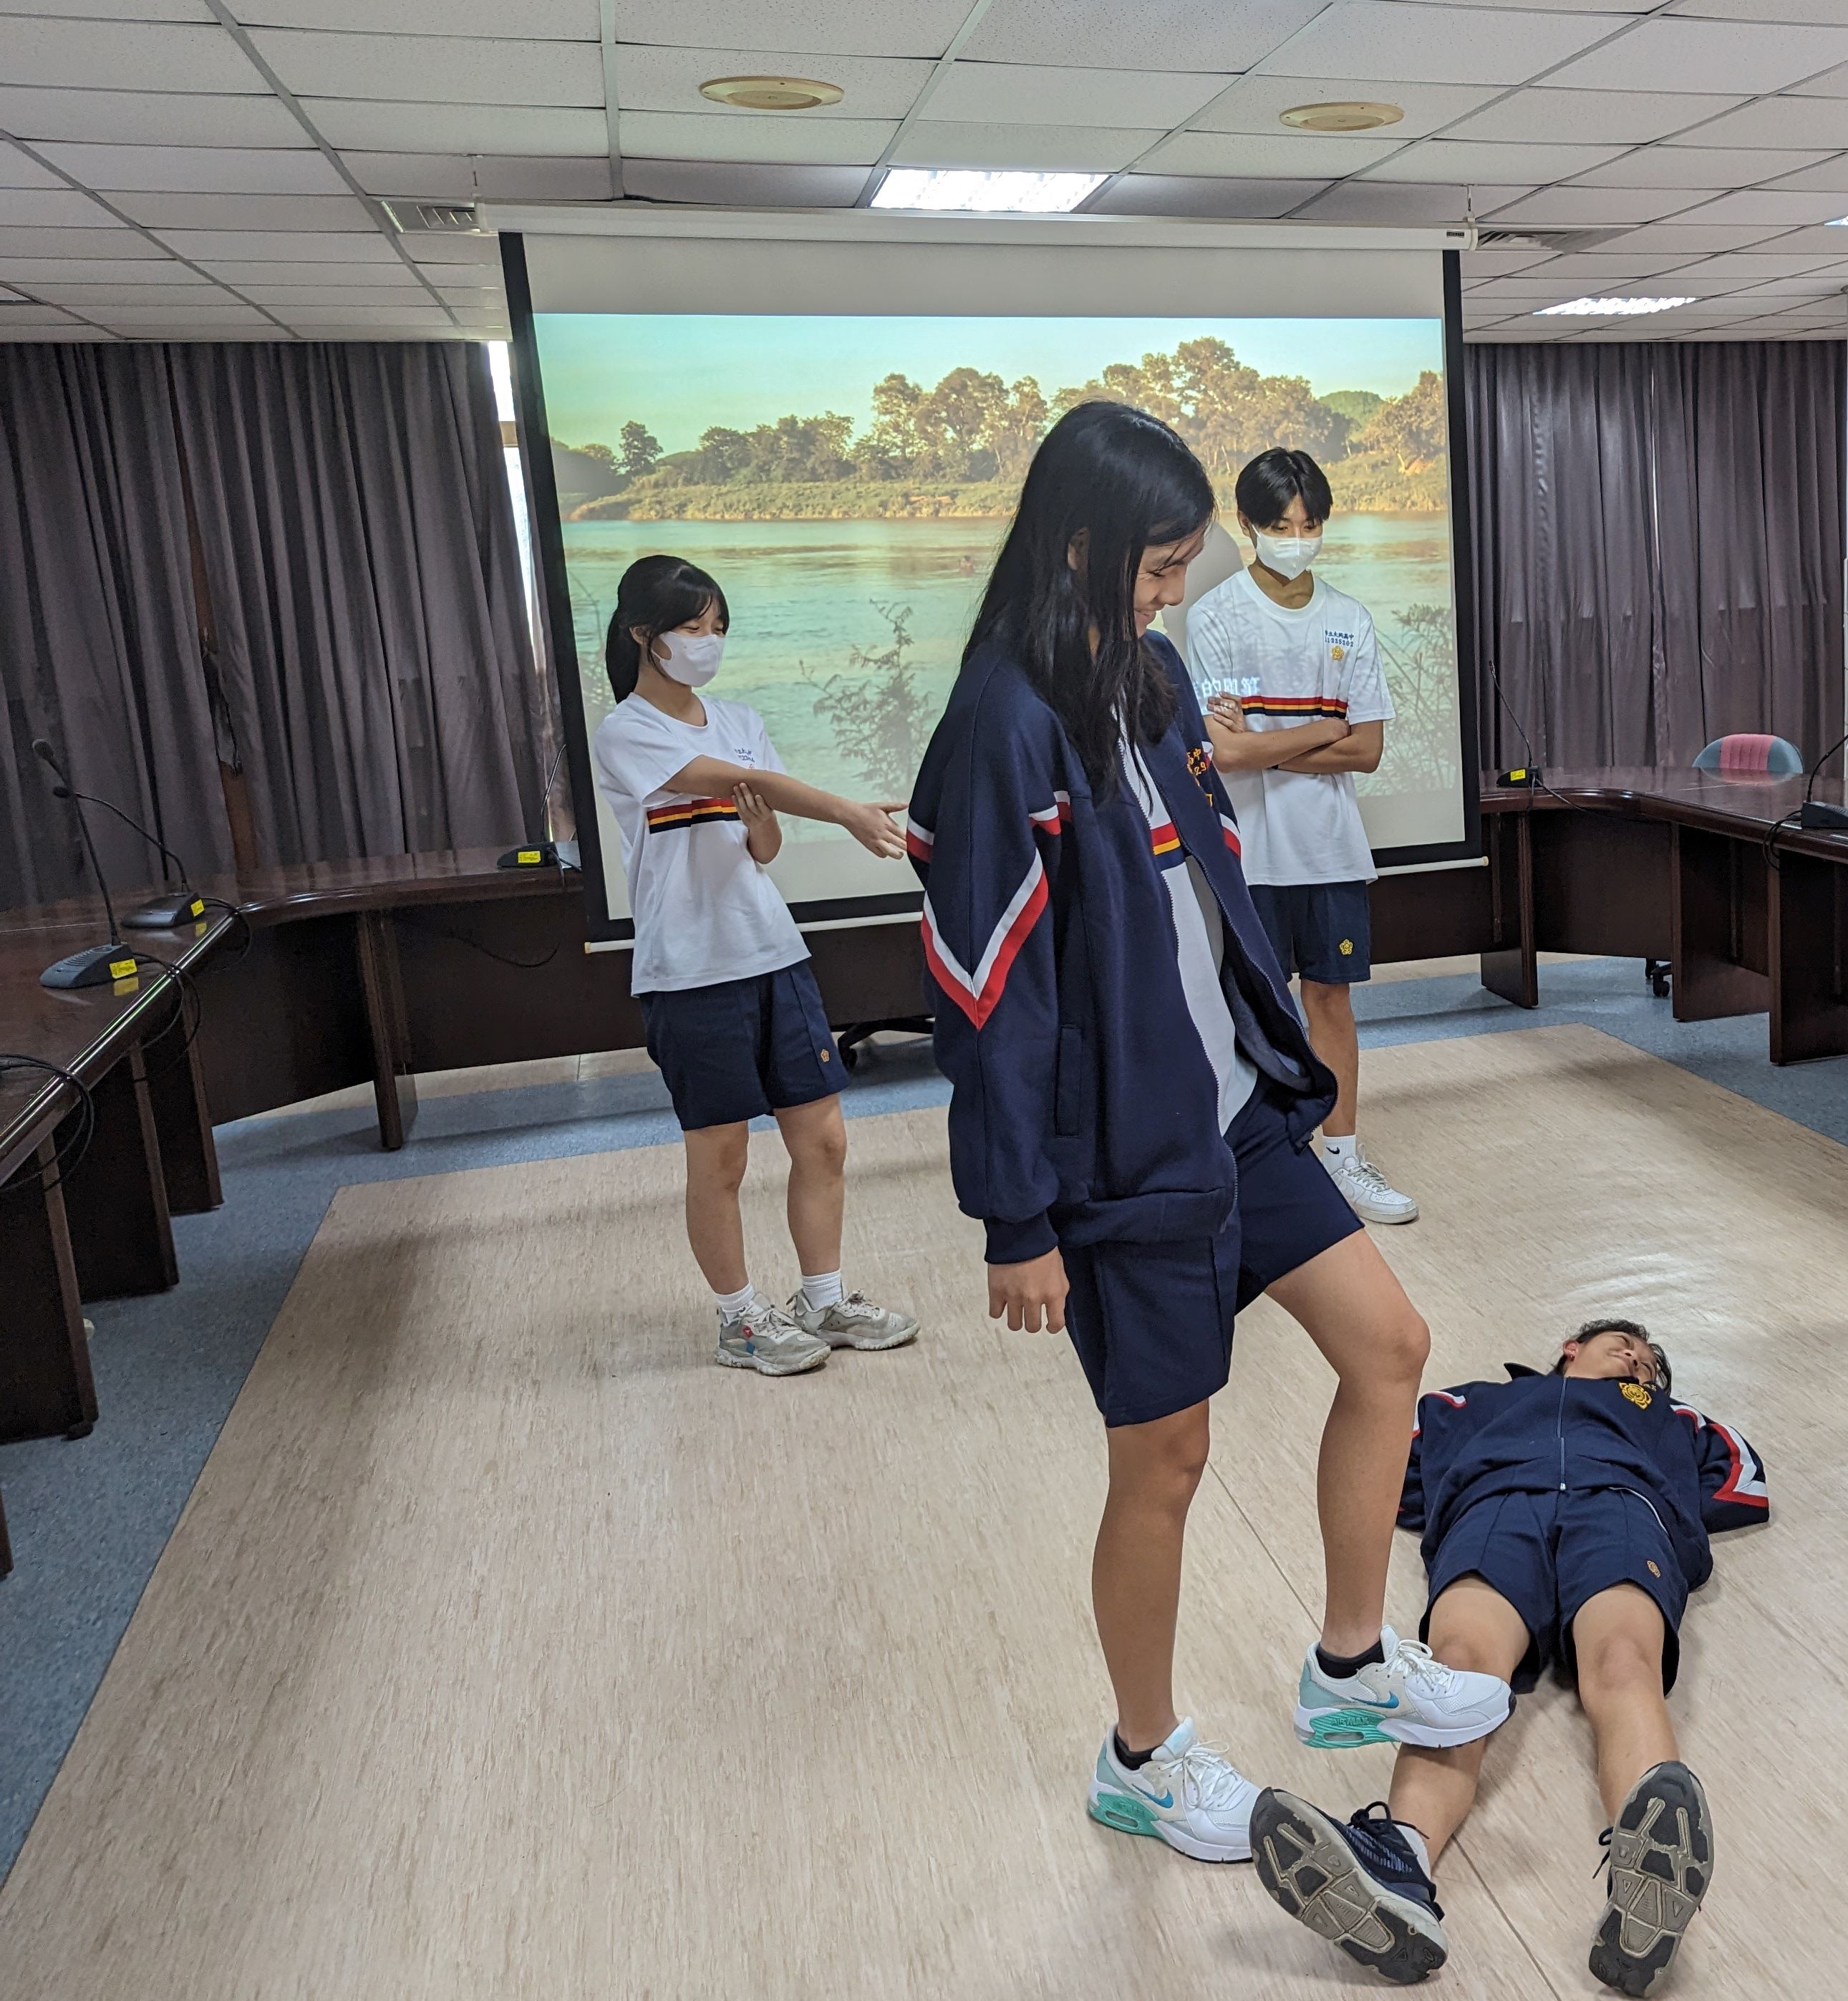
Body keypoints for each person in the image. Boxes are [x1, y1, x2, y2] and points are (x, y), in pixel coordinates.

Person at [911, 403, 1509, 1866]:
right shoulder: (999, 725)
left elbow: (1208, 898)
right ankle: (1142, 1756)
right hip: (1121, 1162)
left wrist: (1280, 1062)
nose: (1175, 587)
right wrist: (1018, 1218)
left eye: (1183, 563)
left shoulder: (1155, 679)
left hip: (1236, 1116)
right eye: (1159, 561)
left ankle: (1352, 1664)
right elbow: (986, 992)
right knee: (1163, 1461)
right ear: (1081, 543)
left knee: (1392, 1348)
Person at [1247, 1318, 1766, 1998]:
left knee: (1623, 1661)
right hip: (1495, 1510)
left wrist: (1671, 1511)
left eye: (1649, 1360)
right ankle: (1399, 1863)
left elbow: (1743, 1483)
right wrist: (1448, 1502)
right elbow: (1383, 1464)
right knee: (1456, 1667)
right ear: (1570, 1350)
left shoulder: (1670, 1413)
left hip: (1622, 1508)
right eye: (1625, 1344)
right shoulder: (1474, 1402)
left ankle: (1650, 1870)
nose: (1640, 1358)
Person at [588, 553, 920, 1377]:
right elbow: (729, 780)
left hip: (773, 956)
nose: (708, 644)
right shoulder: (627, 732)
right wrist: (839, 807)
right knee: (723, 1159)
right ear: (643, 636)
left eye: (718, 629)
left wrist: (774, 817)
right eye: (692, 629)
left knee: (824, 1141)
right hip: (689, 972)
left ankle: (825, 1297)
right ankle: (740, 1319)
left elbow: (761, 844)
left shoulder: (739, 721)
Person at [1189, 447, 1413, 1225]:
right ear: (1247, 523)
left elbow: (1370, 748)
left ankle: (1345, 1160)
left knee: (1331, 1002)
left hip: (1330, 849)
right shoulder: (1214, 617)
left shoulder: (1349, 619)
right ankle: (1254, 1163)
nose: (1298, 537)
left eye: (1311, 524)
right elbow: (1226, 754)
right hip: (1244, 855)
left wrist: (1273, 739)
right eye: (1282, 525)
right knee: (1247, 1013)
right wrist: (1322, 724)